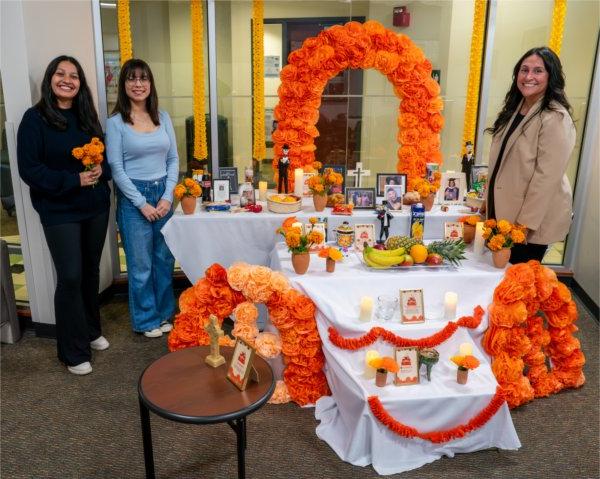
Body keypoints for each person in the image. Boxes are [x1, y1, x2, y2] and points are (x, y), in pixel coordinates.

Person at [17, 56, 111, 375]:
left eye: (74, 75)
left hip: (95, 206)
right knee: (70, 275)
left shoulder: (87, 116)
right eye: (61, 73)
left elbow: (106, 158)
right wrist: (73, 180)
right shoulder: (35, 119)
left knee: (89, 271)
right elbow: (30, 170)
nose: (67, 79)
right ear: (50, 79)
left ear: (80, 83)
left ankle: (90, 331)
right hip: (59, 210)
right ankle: (72, 352)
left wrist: (101, 169)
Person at [106, 59, 179, 338]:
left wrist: (167, 196)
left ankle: (163, 315)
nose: (138, 84)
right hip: (133, 198)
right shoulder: (116, 124)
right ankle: (146, 320)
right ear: (124, 85)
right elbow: (117, 169)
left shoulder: (163, 117)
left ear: (150, 83)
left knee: (163, 260)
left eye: (143, 78)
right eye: (132, 79)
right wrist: (142, 203)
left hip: (162, 195)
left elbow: (173, 159)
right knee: (141, 266)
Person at [482, 47, 575, 264]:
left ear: (551, 76)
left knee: (519, 282)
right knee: (499, 277)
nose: (528, 77)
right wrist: (488, 200)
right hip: (504, 212)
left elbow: (546, 178)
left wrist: (524, 225)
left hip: (529, 223)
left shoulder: (555, 117)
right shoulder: (516, 108)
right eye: (524, 70)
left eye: (537, 71)